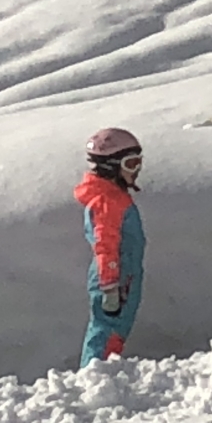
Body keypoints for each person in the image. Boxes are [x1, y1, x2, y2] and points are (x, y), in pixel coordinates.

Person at [74, 127, 147, 367]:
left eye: (139, 162)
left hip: (121, 274)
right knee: (108, 330)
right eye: (131, 164)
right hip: (115, 276)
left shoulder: (114, 197)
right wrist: (110, 286)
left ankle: (98, 370)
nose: (137, 170)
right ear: (111, 167)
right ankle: (94, 372)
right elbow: (105, 245)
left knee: (115, 329)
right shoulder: (108, 201)